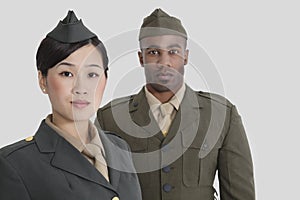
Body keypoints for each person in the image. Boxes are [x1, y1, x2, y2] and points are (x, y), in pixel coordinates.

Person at [95, 8, 255, 200]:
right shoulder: (111, 118)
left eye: (173, 52)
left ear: (186, 56)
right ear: (141, 58)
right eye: (154, 52)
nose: (165, 62)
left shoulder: (221, 115)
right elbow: (95, 192)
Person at [0, 10, 142, 200]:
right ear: (43, 80)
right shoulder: (15, 164)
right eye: (67, 74)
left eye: (92, 74)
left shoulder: (120, 148)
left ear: (105, 79)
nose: (81, 88)